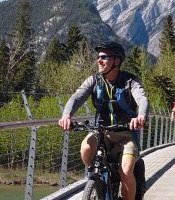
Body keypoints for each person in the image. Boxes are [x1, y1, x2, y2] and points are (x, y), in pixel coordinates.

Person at [58, 41, 148, 200]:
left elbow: (142, 99)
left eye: (104, 57)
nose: (99, 60)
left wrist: (140, 116)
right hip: (101, 132)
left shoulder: (130, 81)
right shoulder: (94, 80)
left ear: (117, 61)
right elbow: (76, 98)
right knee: (86, 147)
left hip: (126, 134)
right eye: (98, 57)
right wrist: (66, 115)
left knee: (126, 171)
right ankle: (98, 179)